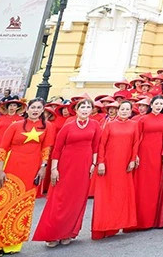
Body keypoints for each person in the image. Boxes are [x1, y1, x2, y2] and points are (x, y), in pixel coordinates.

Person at [0, 99, 51, 256]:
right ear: (27, 109)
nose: (36, 110)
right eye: (33, 107)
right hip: (11, 167)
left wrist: (43, 168)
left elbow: (46, 149)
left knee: (23, 206)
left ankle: (13, 243)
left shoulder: (47, 127)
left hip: (31, 170)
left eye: (39, 108)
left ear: (43, 110)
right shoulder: (15, 126)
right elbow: (3, 148)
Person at [33, 98, 101, 247]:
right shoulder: (68, 126)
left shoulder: (95, 125)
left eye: (88, 107)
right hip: (66, 165)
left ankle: (68, 232)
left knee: (77, 200)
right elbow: (57, 149)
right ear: (76, 110)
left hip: (84, 165)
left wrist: (94, 164)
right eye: (82, 106)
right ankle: (52, 233)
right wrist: (54, 169)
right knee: (60, 199)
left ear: (92, 110)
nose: (85, 109)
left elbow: (96, 146)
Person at [92, 99, 139, 239]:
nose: (124, 111)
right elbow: (102, 144)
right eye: (122, 109)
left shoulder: (134, 125)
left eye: (127, 109)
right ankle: (103, 227)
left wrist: (132, 160)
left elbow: (135, 143)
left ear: (131, 112)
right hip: (109, 164)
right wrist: (100, 162)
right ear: (118, 110)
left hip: (124, 165)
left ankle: (116, 225)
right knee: (106, 195)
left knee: (121, 195)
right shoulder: (110, 125)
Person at [130, 95, 163, 230]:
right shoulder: (143, 119)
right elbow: (136, 138)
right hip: (144, 154)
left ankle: (152, 220)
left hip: (157, 154)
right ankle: (139, 221)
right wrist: (135, 155)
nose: (158, 106)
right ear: (151, 105)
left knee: (154, 187)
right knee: (141, 186)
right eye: (156, 103)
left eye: (161, 104)